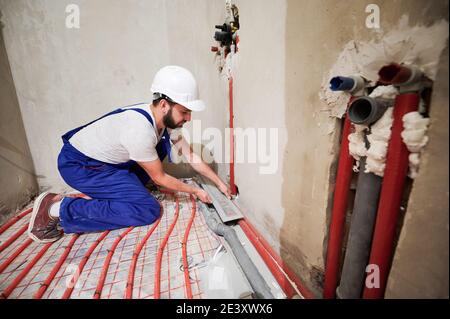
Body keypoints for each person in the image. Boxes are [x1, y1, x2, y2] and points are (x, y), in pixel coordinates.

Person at [28, 65, 231, 243]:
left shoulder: (164, 122)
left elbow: (191, 156)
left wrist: (219, 183)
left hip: (105, 163)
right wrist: (195, 191)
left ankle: (131, 192)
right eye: (184, 112)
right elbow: (159, 177)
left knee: (160, 146)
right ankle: (54, 210)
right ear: (164, 105)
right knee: (146, 210)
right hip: (80, 166)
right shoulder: (139, 130)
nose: (188, 118)